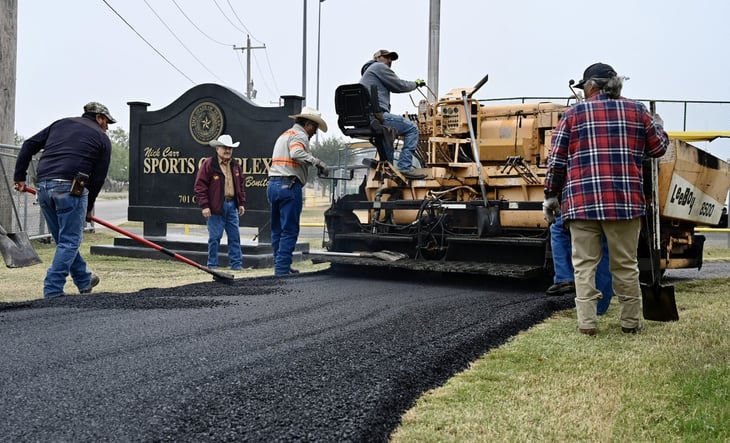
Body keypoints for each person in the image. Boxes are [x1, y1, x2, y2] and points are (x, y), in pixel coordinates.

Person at [543, 62, 669, 336]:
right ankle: (630, 323)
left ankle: (587, 324)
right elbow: (658, 149)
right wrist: (658, 126)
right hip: (625, 204)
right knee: (625, 265)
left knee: (584, 265)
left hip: (581, 204)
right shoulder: (637, 111)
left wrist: (551, 196)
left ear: (591, 86)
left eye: (583, 88)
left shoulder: (573, 114)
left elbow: (556, 162)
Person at [13, 102, 115, 299]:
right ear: (99, 118)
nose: (107, 127)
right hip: (72, 188)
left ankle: (84, 279)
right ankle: (52, 289)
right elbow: (98, 177)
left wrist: (19, 176)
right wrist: (89, 208)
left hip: (43, 187)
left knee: (62, 239)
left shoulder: (60, 124)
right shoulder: (102, 138)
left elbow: (28, 145)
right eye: (107, 122)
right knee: (69, 241)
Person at [268, 107, 329, 276]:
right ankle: (281, 270)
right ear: (308, 124)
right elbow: (296, 153)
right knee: (289, 230)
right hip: (289, 186)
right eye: (315, 128)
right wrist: (318, 163)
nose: (315, 132)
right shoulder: (300, 135)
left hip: (273, 185)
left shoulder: (284, 135)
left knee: (277, 229)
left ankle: (281, 265)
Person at [360, 49, 426, 180]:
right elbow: (399, 85)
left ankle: (388, 170)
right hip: (376, 116)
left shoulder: (367, 74)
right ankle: (404, 168)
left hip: (367, 118)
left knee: (387, 135)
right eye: (386, 57)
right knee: (412, 128)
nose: (389, 61)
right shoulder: (378, 67)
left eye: (391, 59)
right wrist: (416, 84)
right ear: (377, 58)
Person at [194, 134, 247, 270]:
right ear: (217, 149)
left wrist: (241, 203)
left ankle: (236, 265)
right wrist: (205, 206)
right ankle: (212, 265)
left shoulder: (235, 166)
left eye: (230, 148)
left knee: (234, 237)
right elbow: (200, 186)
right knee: (215, 237)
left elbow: (240, 185)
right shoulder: (209, 164)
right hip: (215, 207)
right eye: (225, 148)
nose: (228, 150)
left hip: (232, 206)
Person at [549, 214, 613, 316]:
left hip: (581, 207)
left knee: (559, 227)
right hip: (613, 209)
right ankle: (600, 306)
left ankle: (565, 278)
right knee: (605, 248)